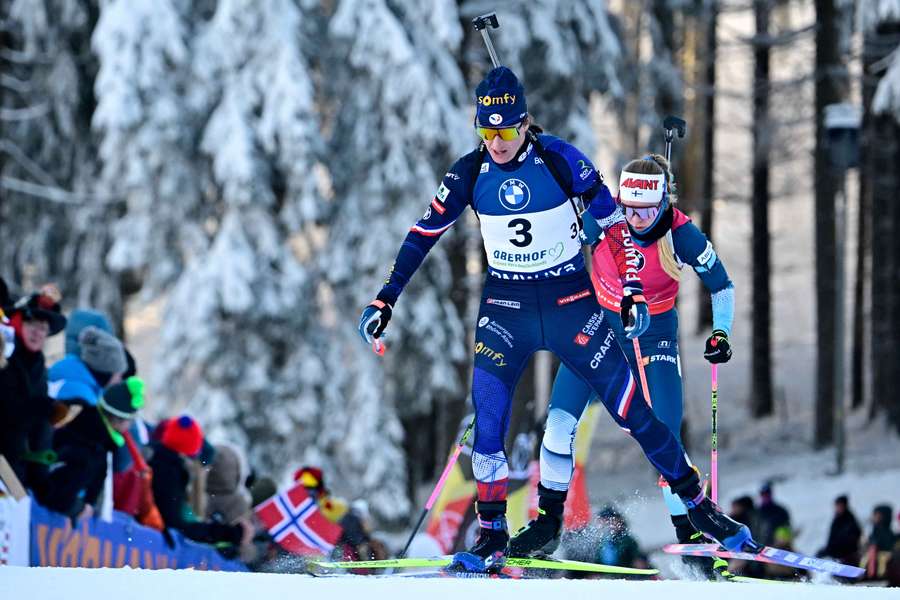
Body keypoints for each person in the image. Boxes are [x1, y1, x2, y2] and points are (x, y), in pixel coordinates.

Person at [357, 66, 755, 571]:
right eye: (486, 129)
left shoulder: (561, 158)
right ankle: (494, 535)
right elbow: (422, 234)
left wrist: (634, 292)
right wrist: (386, 298)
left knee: (634, 412)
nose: (496, 141)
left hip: (573, 305)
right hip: (506, 307)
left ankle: (699, 508)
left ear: (524, 122)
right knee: (490, 420)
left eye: (505, 128)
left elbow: (615, 228)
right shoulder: (467, 172)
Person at [519, 152, 736, 571]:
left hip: (654, 336)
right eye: (629, 208)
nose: (635, 218)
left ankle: (689, 533)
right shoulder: (603, 217)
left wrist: (721, 332)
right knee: (559, 423)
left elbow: (721, 285)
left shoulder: (680, 233)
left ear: (664, 202)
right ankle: (547, 524)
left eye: (647, 210)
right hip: (598, 329)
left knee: (667, 437)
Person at [38, 377, 145, 520]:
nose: (130, 426)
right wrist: (78, 508)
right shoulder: (89, 448)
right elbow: (56, 492)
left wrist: (88, 503)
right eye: (130, 420)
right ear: (117, 420)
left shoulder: (98, 443)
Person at [0, 286, 66, 494]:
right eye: (32, 324)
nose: (38, 333)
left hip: (15, 467)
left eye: (43, 329)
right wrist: (36, 408)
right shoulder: (5, 356)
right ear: (19, 322)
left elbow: (40, 429)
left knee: (17, 505)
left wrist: (41, 475)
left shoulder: (38, 367)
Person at [148, 415, 248, 550]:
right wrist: (227, 534)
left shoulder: (163, 465)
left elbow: (185, 520)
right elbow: (177, 525)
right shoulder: (169, 474)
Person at [48, 325, 127, 406]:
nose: (119, 380)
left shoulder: (68, 370)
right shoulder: (82, 398)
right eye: (118, 374)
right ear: (106, 372)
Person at [817, 495, 862, 566]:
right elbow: (831, 537)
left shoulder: (850, 520)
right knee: (819, 553)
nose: (838, 508)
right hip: (834, 550)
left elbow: (853, 539)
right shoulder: (836, 519)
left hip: (847, 553)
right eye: (837, 506)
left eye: (840, 506)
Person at [757, 481, 792, 548]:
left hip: (780, 546)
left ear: (771, 494)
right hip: (761, 548)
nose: (765, 496)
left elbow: (787, 528)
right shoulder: (756, 513)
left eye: (767, 494)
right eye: (763, 494)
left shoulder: (781, 511)